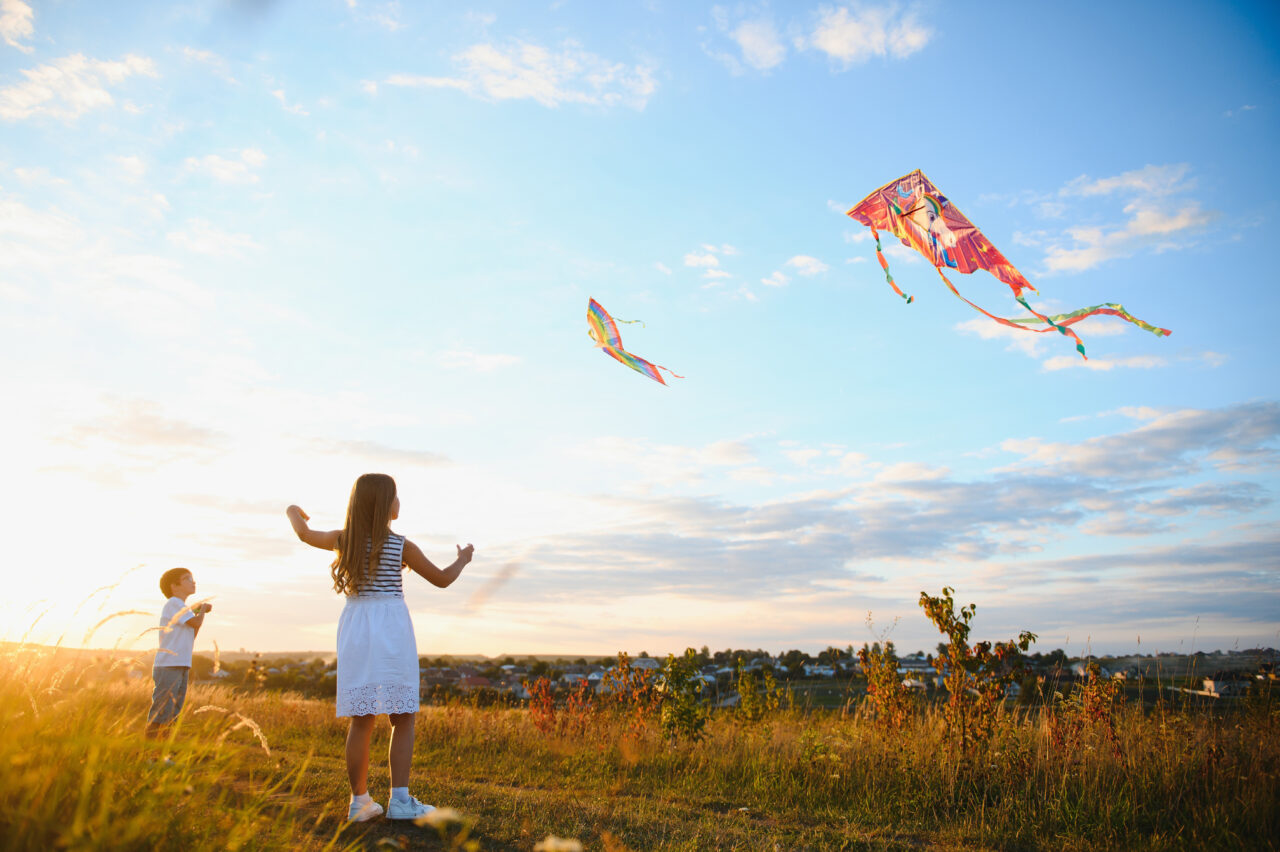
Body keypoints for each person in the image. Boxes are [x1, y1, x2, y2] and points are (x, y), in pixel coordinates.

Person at [287, 473, 473, 823]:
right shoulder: (402, 545)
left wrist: (292, 509)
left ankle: (360, 804)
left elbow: (303, 532)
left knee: (362, 719)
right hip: (390, 627)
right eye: (396, 496)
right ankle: (400, 801)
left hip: (356, 627)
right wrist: (463, 558)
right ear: (385, 504)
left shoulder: (344, 541)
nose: (399, 503)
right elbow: (443, 579)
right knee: (402, 717)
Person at [146, 568, 212, 738]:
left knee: (172, 714)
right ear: (174, 586)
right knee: (161, 712)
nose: (193, 581)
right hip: (169, 665)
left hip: (181, 665)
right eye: (187, 578)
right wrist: (202, 609)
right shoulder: (174, 603)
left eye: (192, 578)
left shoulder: (183, 608)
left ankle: (161, 756)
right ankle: (149, 755)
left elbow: (192, 634)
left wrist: (197, 611)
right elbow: (196, 623)